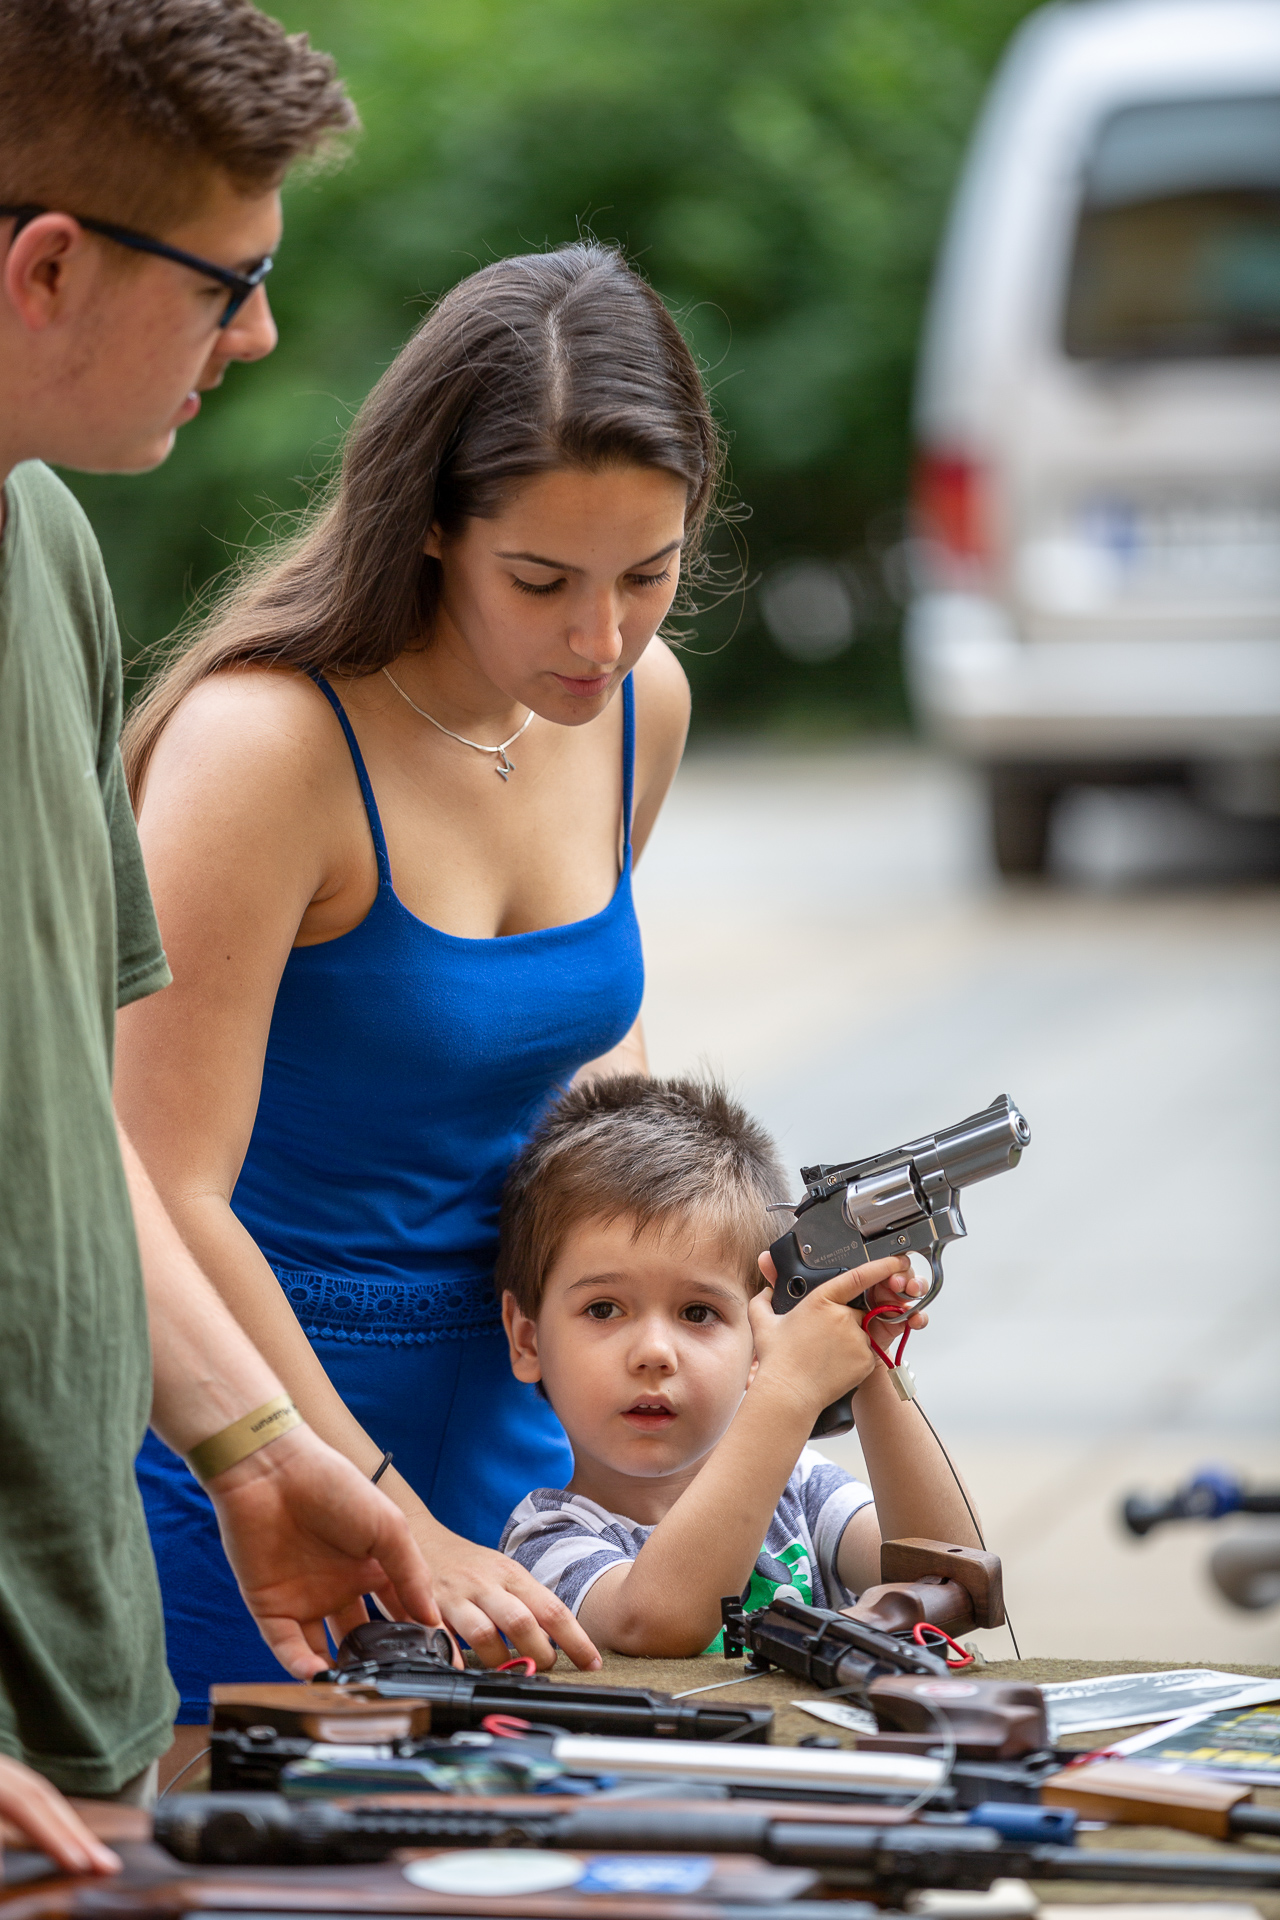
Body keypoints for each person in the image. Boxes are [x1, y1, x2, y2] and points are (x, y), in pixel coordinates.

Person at [113, 241, 716, 1752]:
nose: (601, 638)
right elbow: (161, 1185)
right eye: (543, 581)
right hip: (257, 1453)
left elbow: (580, 1047)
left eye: (648, 574)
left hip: (517, 1435)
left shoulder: (638, 707)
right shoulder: (264, 748)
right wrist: (381, 1506)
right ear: (433, 525)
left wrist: (707, 1254)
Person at [0, 0, 443, 1869]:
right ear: (47, 266)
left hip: (79, 1695)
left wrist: (250, 1441)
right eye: (227, 282)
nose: (257, 333)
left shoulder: (48, 549)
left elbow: (62, 1115)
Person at [498, 1076, 983, 1655]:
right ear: (527, 1340)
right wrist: (788, 1391)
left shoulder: (798, 1487)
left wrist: (867, 1354)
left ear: (760, 1339)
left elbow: (951, 1578)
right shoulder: (544, 1538)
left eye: (698, 1312)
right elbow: (655, 1620)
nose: (655, 1352)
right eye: (603, 1309)